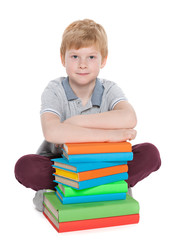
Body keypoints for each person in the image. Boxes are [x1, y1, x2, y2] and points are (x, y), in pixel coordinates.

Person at [14, 19, 161, 211]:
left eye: (91, 57)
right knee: (26, 166)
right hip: (62, 166)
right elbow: (51, 132)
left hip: (105, 165)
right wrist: (110, 135)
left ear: (104, 59)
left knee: (150, 154)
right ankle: (90, 188)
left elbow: (129, 118)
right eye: (75, 56)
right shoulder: (54, 89)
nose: (82, 64)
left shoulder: (109, 89)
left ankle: (111, 185)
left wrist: (73, 123)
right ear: (62, 59)